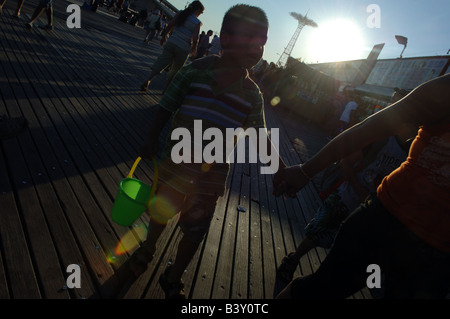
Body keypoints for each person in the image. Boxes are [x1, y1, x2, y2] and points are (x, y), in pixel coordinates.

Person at [101, 4, 282, 299]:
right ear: (224, 37)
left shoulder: (252, 94)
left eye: (261, 42)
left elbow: (259, 135)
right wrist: (150, 138)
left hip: (212, 177)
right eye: (248, 39)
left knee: (195, 231)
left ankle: (173, 278)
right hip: (175, 164)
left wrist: (281, 168)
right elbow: (165, 107)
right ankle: (146, 252)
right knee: (160, 214)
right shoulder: (193, 72)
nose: (255, 49)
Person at [273, 73, 450, 299]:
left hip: (439, 255)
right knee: (317, 292)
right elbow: (365, 131)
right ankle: (294, 258)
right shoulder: (446, 89)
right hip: (386, 223)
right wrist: (306, 170)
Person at [140, 1, 204, 93]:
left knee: (161, 62)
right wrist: (194, 48)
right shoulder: (197, 22)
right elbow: (195, 38)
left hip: (172, 42)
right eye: (201, 12)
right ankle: (165, 91)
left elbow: (170, 25)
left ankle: (148, 80)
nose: (200, 14)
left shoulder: (181, 13)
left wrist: (164, 36)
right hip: (183, 47)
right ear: (198, 10)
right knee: (175, 70)